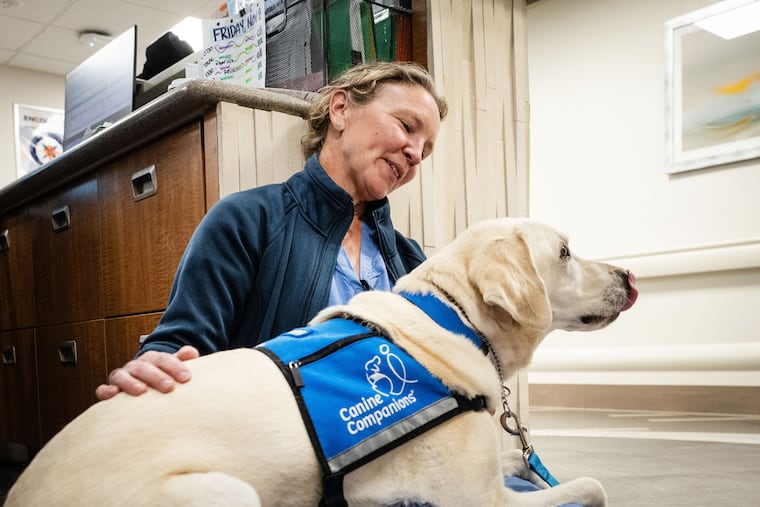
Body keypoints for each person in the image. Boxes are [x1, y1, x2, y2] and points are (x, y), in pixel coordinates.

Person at [95, 61, 447, 401]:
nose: (415, 153)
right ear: (340, 109)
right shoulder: (247, 220)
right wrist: (153, 367)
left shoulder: (408, 258)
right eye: (406, 125)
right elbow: (182, 345)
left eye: (426, 150)